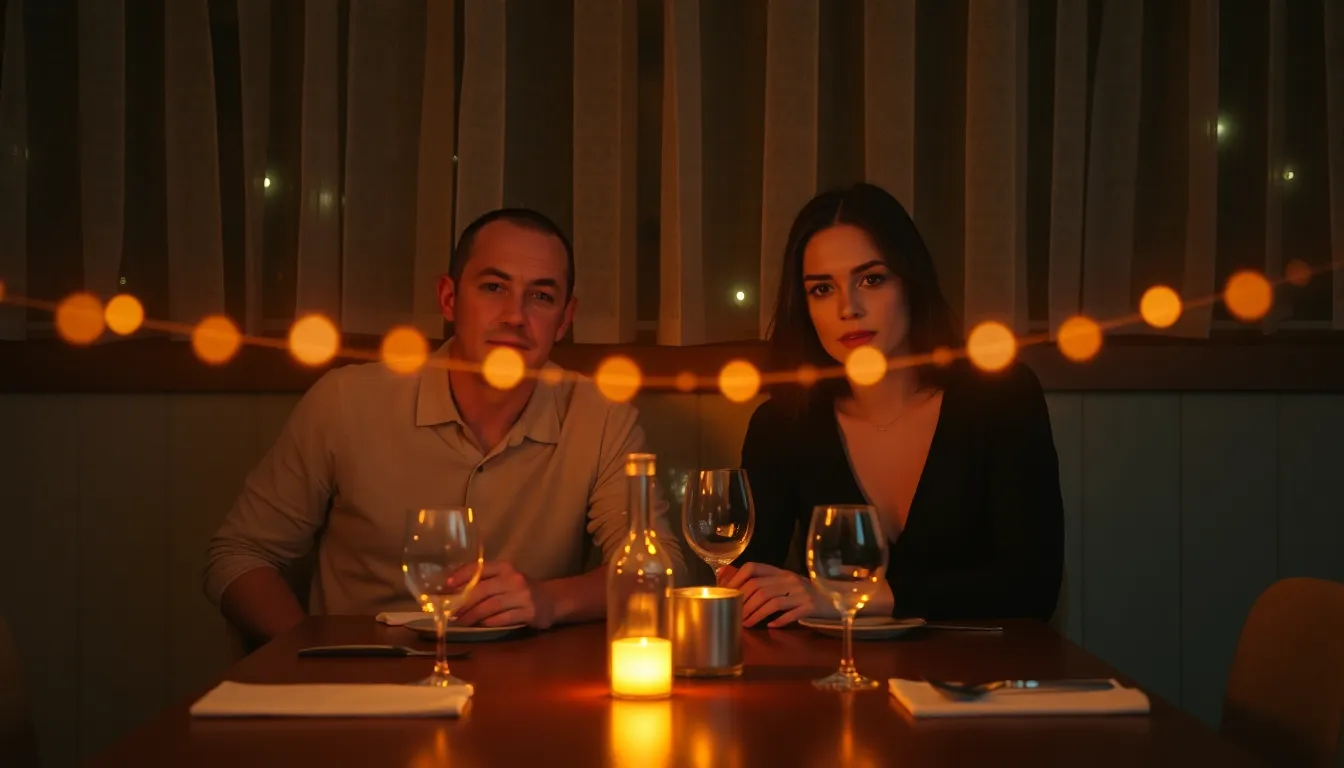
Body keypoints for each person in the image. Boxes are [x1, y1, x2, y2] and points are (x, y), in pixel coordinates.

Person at [205, 207, 684, 643]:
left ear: (564, 320)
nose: (515, 316)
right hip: (361, 678)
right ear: (449, 298)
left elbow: (660, 568)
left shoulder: (599, 415)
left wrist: (549, 600)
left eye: (541, 296)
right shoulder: (346, 401)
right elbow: (237, 556)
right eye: (493, 288)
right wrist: (308, 657)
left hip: (524, 681)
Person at [721, 183, 1063, 627]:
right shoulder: (783, 424)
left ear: (912, 283)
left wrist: (863, 596)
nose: (848, 308)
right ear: (803, 308)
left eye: (871, 279)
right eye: (822, 289)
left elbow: (1034, 586)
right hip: (840, 667)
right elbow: (751, 580)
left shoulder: (1001, 398)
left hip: (987, 667)